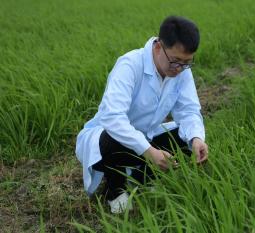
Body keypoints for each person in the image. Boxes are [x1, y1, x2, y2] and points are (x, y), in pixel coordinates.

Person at [75, 15, 208, 214]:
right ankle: (115, 190)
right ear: (158, 47)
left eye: (187, 62)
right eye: (175, 61)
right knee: (113, 136)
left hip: (147, 136)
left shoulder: (180, 72)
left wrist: (197, 138)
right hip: (109, 140)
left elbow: (189, 111)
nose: (179, 68)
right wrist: (149, 151)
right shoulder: (130, 65)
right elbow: (112, 118)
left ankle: (142, 179)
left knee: (187, 137)